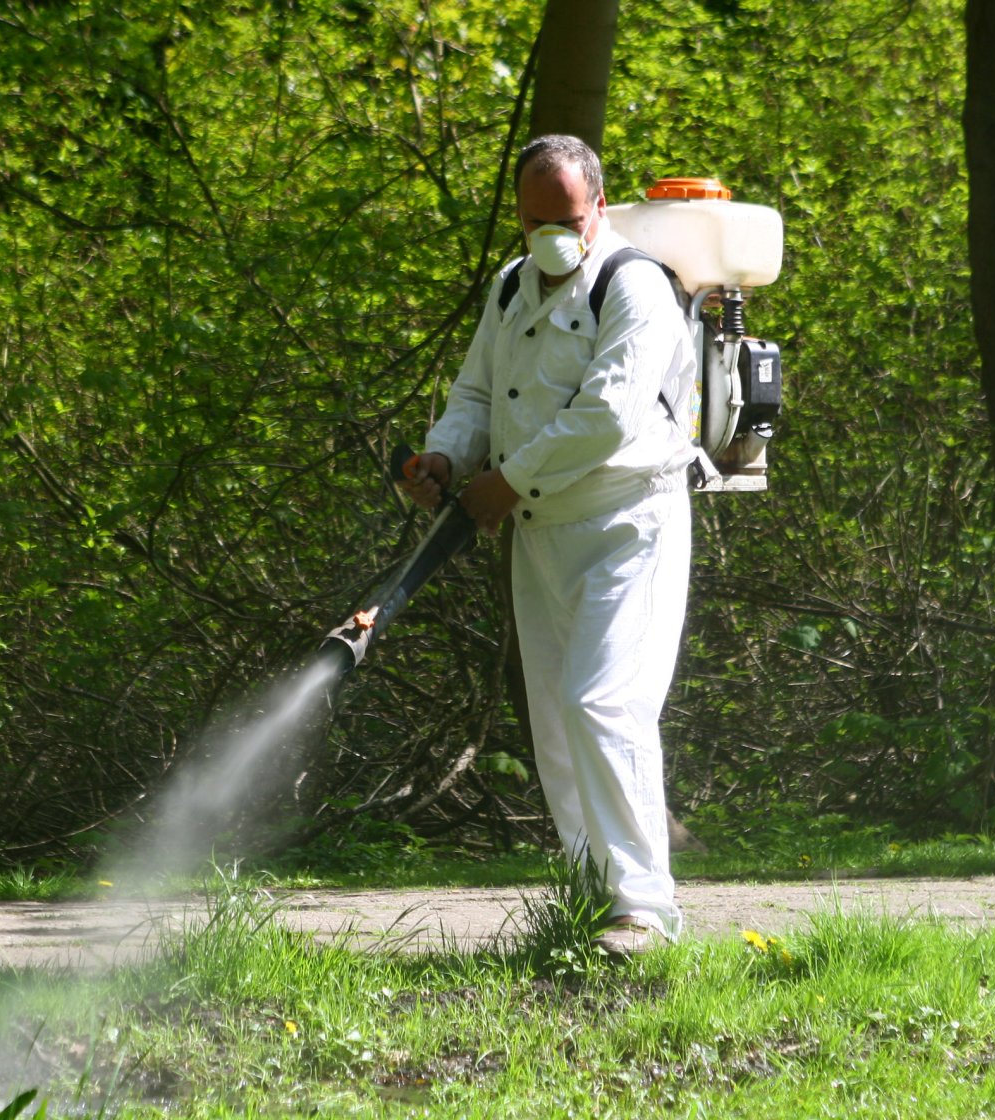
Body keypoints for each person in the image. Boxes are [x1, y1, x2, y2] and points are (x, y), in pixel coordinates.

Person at [399, 134, 697, 953]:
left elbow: (608, 415)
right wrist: (449, 454)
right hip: (539, 532)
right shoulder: (509, 288)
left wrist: (506, 481)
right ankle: (592, 895)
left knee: (604, 704)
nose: (551, 236)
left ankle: (644, 909)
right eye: (535, 221)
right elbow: (478, 393)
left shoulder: (635, 287)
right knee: (557, 726)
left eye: (565, 218)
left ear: (598, 207)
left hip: (627, 520)